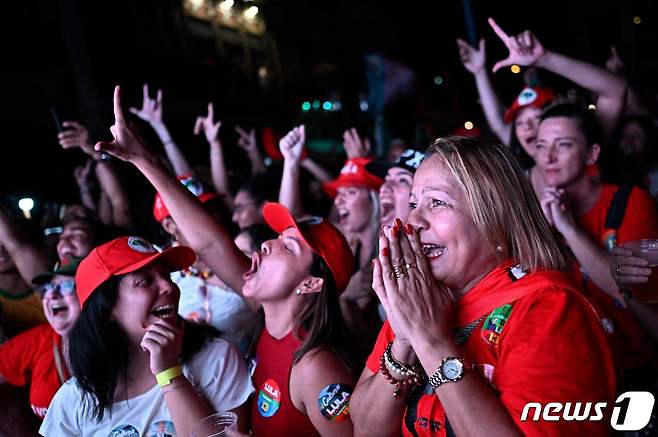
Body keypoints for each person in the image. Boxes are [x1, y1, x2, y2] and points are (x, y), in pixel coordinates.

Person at [92, 85, 357, 436]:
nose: (266, 246)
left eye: (288, 248)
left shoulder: (317, 367)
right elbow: (209, 243)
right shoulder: (271, 322)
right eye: (277, 238)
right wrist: (143, 159)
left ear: (311, 283)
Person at [350, 136, 616, 436]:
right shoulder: (419, 295)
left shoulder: (551, 308)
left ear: (495, 217)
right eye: (413, 203)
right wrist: (404, 341)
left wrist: (430, 340)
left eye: (437, 202)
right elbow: (365, 429)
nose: (413, 220)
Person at [40, 236, 253, 436]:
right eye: (144, 281)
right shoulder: (76, 399)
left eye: (166, 276)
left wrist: (170, 374)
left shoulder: (216, 358)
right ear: (106, 309)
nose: (169, 286)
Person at [535, 102, 658, 389]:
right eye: (541, 146)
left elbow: (631, 291)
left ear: (592, 153)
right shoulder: (538, 210)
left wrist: (569, 229)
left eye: (563, 145)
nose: (549, 157)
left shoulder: (631, 201)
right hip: (577, 370)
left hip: (636, 368)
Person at [457, 19, 626, 193]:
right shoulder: (524, 178)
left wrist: (545, 58)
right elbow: (498, 123)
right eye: (520, 123)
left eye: (536, 118)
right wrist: (479, 72)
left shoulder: (585, 147)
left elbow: (615, 92)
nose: (527, 128)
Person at [155, 174, 255, 347]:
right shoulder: (159, 270)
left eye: (210, 208)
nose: (207, 217)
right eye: (194, 211)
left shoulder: (242, 251)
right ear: (169, 226)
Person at [0, 257, 81, 420]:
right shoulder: (39, 339)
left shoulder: (126, 345)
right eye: (48, 288)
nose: (52, 294)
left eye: (66, 286)